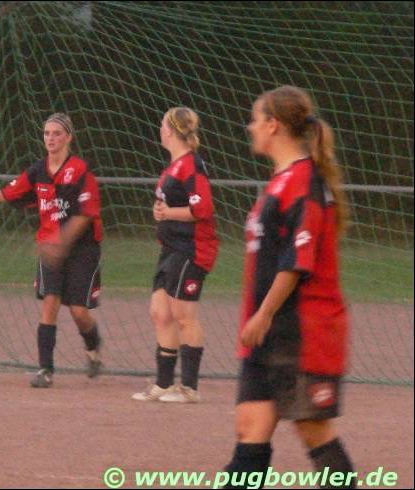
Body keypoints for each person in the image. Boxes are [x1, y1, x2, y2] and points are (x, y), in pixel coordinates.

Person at [221, 86, 355, 488]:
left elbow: (297, 261)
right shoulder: (280, 183)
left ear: (273, 125)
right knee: (250, 428)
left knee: (314, 431)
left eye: (255, 119)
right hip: (269, 334)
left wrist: (263, 314)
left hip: (302, 333)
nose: (250, 127)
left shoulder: (306, 183)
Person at [0, 113, 103, 388]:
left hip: (83, 249)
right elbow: (8, 193)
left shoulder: (80, 171)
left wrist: (62, 244)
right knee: (50, 303)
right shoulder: (37, 171)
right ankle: (45, 369)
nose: (51, 138)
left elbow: (85, 215)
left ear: (69, 137)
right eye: (47, 133)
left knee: (78, 311)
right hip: (50, 245)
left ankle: (93, 347)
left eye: (57, 133)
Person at [132, 107, 219, 403]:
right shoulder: (173, 167)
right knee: (160, 313)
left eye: (162, 125)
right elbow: (169, 205)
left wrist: (168, 212)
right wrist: (161, 212)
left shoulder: (192, 164)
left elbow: (202, 209)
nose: (160, 130)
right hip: (170, 249)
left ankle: (189, 388)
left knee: (184, 316)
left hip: (191, 249)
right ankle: (164, 384)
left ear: (170, 130)